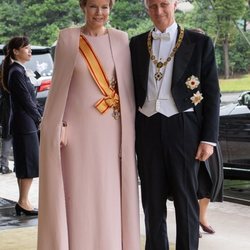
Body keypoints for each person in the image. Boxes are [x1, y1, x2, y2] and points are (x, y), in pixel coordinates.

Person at [37, 0, 140, 249]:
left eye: (105, 7)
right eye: (94, 6)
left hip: (112, 131)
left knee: (109, 192)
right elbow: (59, 89)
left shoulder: (121, 39)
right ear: (83, 7)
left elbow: (126, 88)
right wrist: (58, 124)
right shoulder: (68, 39)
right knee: (80, 193)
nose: (99, 13)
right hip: (76, 134)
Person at [130, 0, 220, 249]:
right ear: (146, 7)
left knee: (185, 199)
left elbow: (212, 93)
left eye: (164, 4)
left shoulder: (199, 42)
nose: (158, 11)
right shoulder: (135, 44)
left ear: (175, 4)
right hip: (146, 128)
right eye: (152, 5)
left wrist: (208, 138)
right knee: (151, 201)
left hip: (183, 127)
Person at [2, 36, 42, 216]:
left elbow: (30, 99)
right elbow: (26, 100)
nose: (30, 50)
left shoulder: (18, 70)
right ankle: (24, 202)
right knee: (28, 162)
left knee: (25, 162)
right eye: (26, 48)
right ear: (16, 51)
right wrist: (40, 118)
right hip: (24, 123)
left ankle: (22, 201)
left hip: (24, 122)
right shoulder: (16, 72)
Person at [0, 44, 13, 174]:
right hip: (11, 105)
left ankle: (4, 164)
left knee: (8, 135)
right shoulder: (10, 66)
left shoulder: (4, 64)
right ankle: (4, 165)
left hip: (6, 105)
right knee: (9, 135)